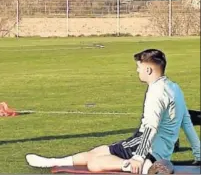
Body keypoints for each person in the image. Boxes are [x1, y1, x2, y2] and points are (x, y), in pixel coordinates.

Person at [26, 49, 200, 174]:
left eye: (139, 67)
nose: (137, 71)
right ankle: (52, 161)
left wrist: (138, 158)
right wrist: (198, 153)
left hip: (148, 148)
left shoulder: (156, 92)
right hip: (158, 148)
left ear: (148, 70)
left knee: (94, 163)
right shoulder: (174, 87)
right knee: (98, 151)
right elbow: (186, 121)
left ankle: (145, 168)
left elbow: (150, 127)